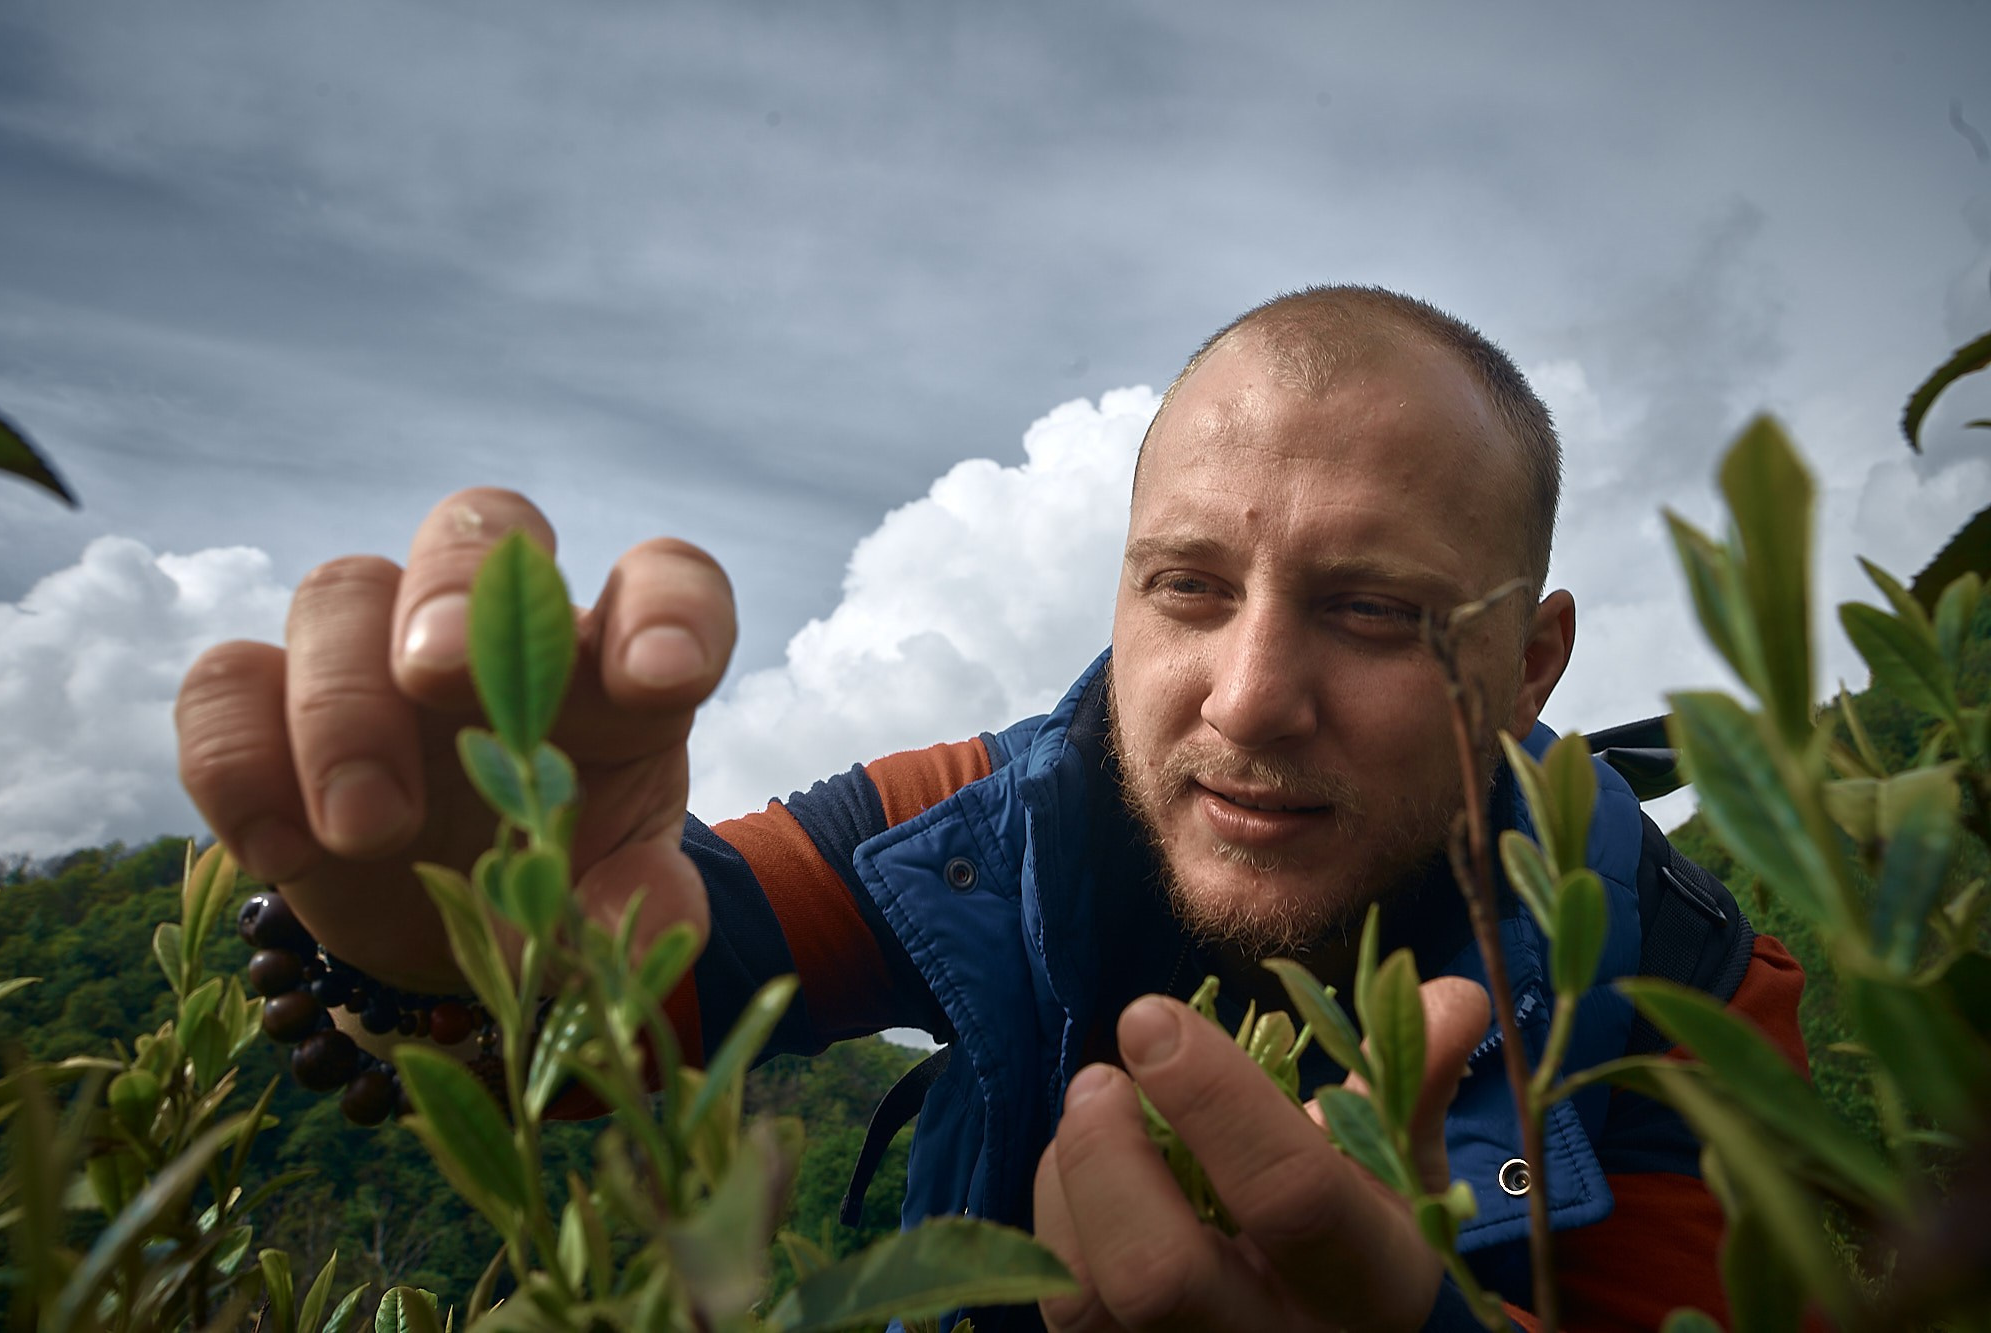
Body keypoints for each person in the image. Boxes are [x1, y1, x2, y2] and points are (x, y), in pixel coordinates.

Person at [175, 286, 1808, 1330]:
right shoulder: (981, 819)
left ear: (1532, 665)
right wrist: (422, 931)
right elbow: (670, 955)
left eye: (1375, 612)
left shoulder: (1693, 1000)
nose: (1245, 696)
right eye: (1186, 586)